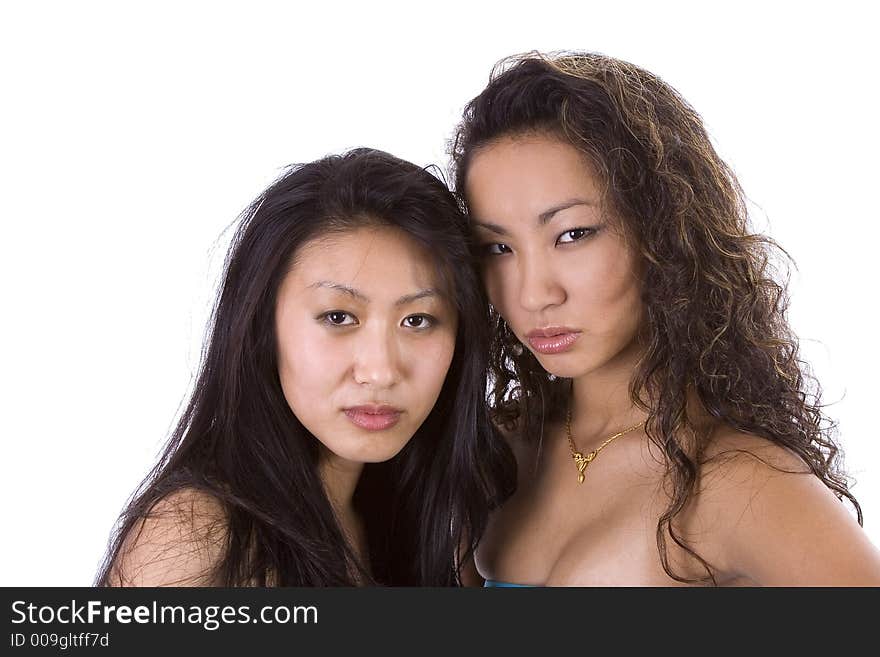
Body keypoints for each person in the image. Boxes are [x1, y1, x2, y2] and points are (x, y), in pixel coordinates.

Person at [451, 52, 880, 586]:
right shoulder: (496, 449)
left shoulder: (739, 481)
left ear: (661, 233)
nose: (534, 293)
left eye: (573, 234)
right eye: (497, 247)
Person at [96, 148, 515, 586]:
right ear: (262, 325)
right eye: (338, 317)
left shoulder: (424, 521)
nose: (380, 371)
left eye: (417, 320)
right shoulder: (197, 536)